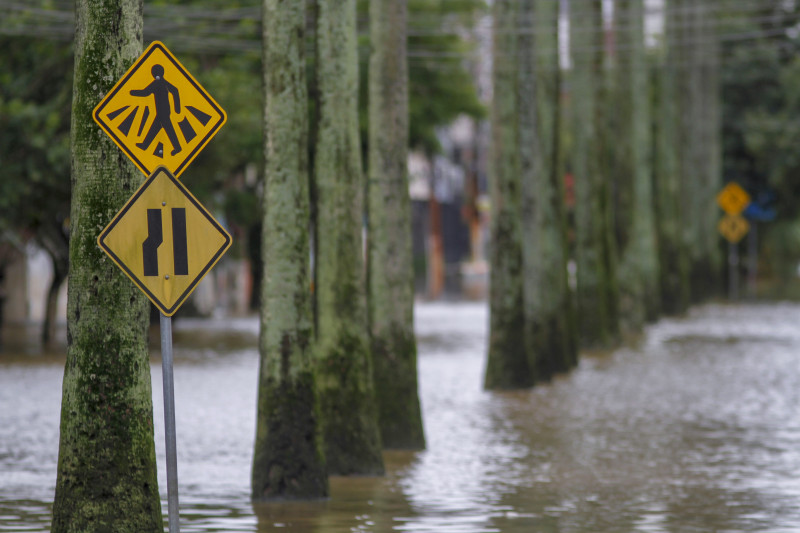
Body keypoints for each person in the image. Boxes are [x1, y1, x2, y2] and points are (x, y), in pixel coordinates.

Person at [131, 64, 182, 156]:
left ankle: (177, 147)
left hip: (163, 111)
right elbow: (175, 90)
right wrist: (176, 108)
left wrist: (132, 92)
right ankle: (145, 145)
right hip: (164, 110)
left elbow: (145, 93)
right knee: (156, 127)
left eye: (153, 72)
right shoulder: (163, 82)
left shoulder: (157, 83)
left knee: (168, 128)